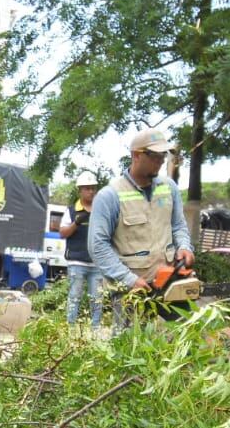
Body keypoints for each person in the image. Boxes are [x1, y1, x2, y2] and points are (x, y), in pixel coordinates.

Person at [90, 129, 194, 324]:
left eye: (163, 155)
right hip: (132, 287)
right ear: (136, 155)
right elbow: (98, 246)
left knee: (185, 333)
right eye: (154, 155)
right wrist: (128, 279)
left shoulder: (169, 188)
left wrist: (184, 247)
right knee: (130, 346)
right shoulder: (110, 196)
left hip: (168, 278)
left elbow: (178, 226)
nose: (161, 161)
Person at [61, 171, 103, 328]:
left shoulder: (101, 210)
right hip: (77, 261)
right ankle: (70, 329)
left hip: (97, 263)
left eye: (93, 188)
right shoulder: (72, 211)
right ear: (80, 190)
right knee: (74, 297)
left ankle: (95, 330)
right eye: (87, 188)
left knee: (97, 298)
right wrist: (76, 223)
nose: (91, 191)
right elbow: (62, 233)